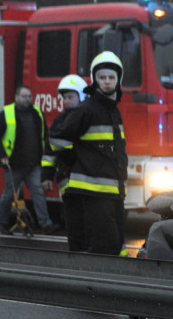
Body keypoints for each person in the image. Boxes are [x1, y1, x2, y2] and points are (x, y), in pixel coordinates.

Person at [48, 52, 128, 255]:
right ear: (95, 80)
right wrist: (74, 160)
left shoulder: (113, 110)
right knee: (105, 244)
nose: (107, 82)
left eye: (111, 77)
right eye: (102, 77)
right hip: (92, 190)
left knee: (117, 242)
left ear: (119, 80)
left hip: (114, 191)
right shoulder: (87, 108)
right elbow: (56, 137)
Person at [0, 85, 59, 234]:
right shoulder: (6, 113)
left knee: (38, 193)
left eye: (29, 96)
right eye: (24, 96)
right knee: (8, 194)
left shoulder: (37, 113)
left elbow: (45, 135)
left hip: (33, 164)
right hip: (13, 164)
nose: (27, 99)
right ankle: (2, 223)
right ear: (16, 97)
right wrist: (2, 155)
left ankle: (46, 224)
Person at [42, 74, 88, 251]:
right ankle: (76, 255)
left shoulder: (87, 118)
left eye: (71, 97)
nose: (67, 101)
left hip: (86, 178)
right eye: (65, 98)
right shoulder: (60, 121)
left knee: (88, 220)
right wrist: (46, 175)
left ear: (82, 96)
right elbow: (50, 151)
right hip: (67, 180)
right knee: (73, 221)